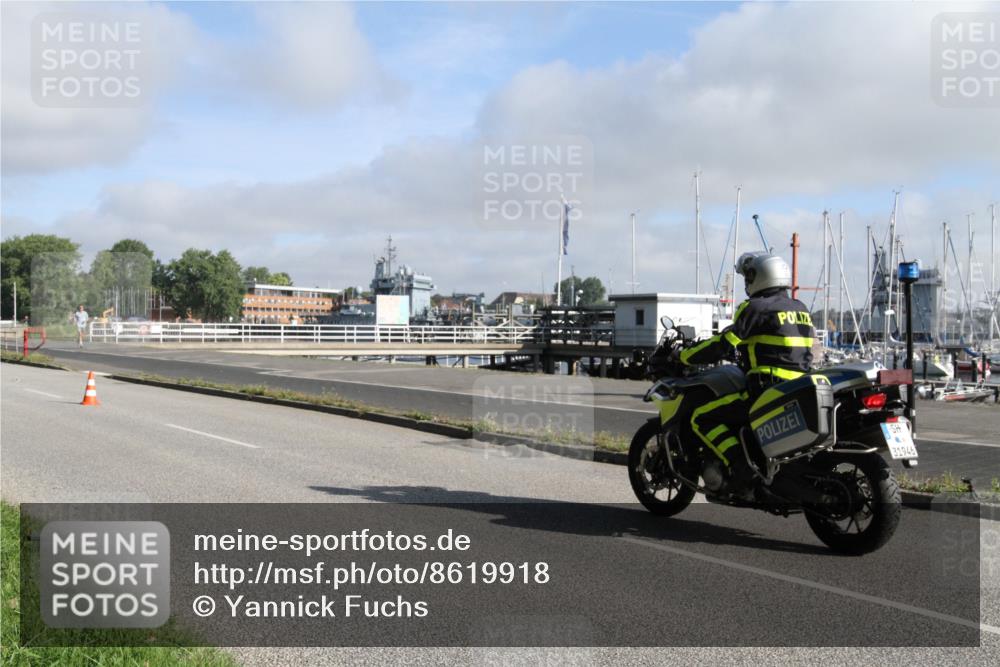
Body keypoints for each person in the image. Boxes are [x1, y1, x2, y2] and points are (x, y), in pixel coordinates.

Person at [678, 251, 815, 496]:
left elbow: (723, 343)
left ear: (761, 276)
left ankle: (741, 468)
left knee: (701, 417)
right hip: (801, 387)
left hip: (767, 388)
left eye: (749, 276)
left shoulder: (755, 307)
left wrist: (684, 356)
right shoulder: (799, 307)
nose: (747, 282)